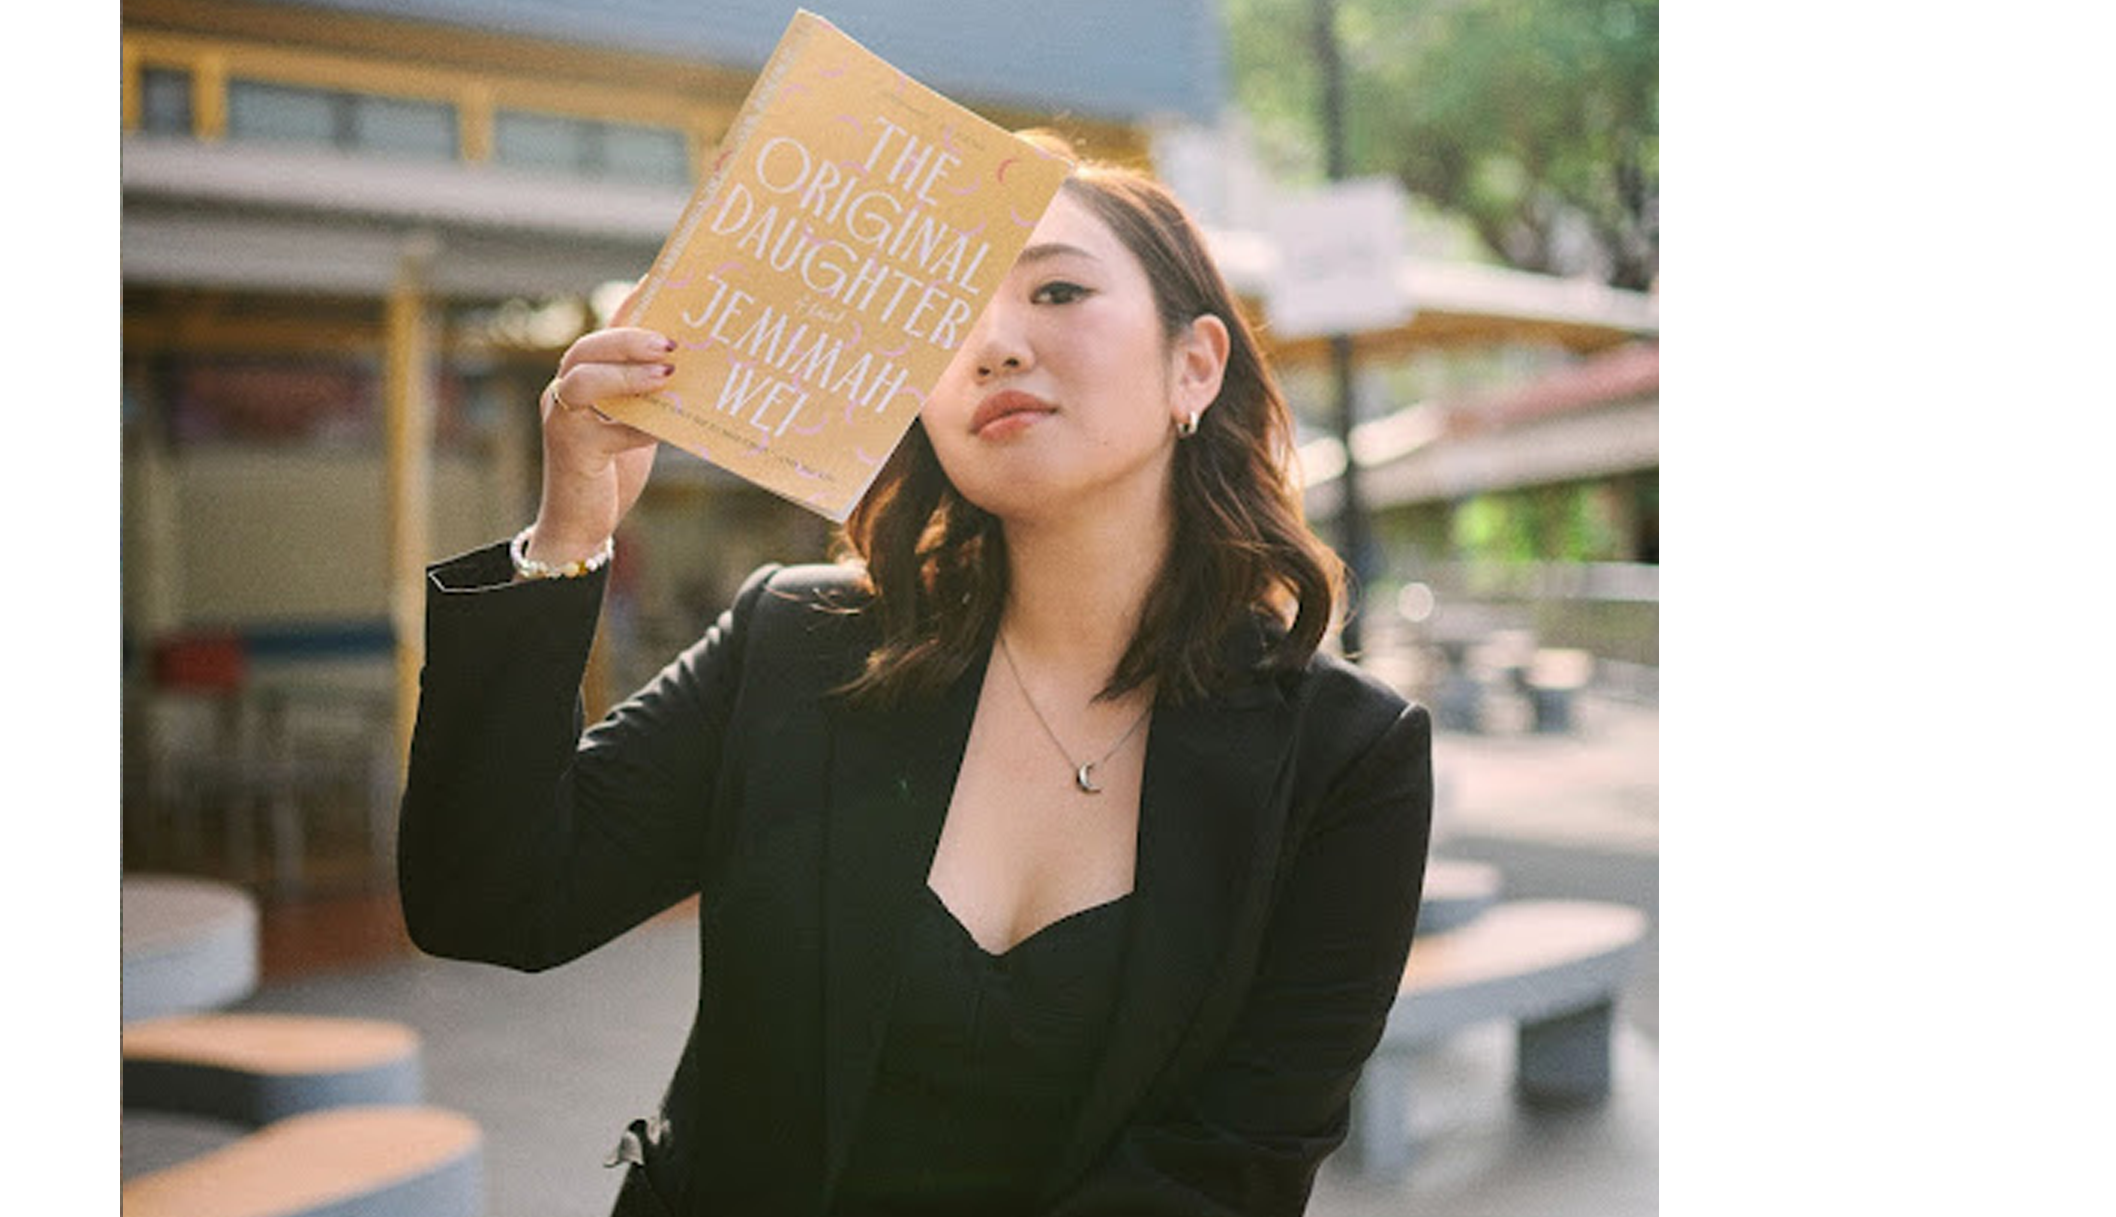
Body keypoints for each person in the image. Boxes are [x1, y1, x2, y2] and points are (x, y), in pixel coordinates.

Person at [398, 133, 1434, 1216]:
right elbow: (490, 899)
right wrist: (570, 529)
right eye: (946, 325)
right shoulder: (796, 644)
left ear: (1196, 365)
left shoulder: (1345, 756)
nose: (992, 345)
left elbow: (1231, 1166)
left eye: (1059, 290)